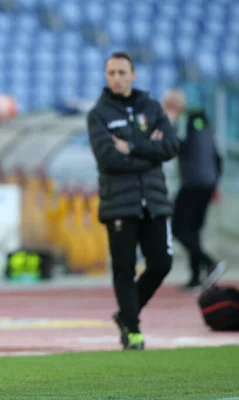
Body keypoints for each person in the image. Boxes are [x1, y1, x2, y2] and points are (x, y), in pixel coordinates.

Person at [87, 52, 180, 350]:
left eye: (122, 72)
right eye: (111, 72)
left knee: (162, 263)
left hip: (154, 201)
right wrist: (148, 153)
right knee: (124, 268)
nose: (116, 77)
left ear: (133, 74)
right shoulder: (98, 114)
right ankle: (134, 330)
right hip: (119, 205)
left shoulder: (150, 108)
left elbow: (170, 146)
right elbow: (108, 159)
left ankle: (126, 315)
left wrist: (134, 147)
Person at [162, 89, 227, 290]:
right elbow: (217, 155)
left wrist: (169, 124)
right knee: (193, 230)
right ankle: (196, 276)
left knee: (178, 227)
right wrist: (215, 183)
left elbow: (175, 146)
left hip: (192, 184)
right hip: (207, 184)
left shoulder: (184, 121)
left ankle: (210, 263)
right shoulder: (203, 122)